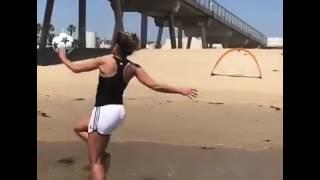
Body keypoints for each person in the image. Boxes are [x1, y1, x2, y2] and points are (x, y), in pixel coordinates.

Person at [58, 31, 198, 180]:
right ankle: (101, 152)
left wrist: (63, 57)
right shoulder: (133, 67)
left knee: (95, 162)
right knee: (79, 127)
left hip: (104, 111)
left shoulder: (105, 61)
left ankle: (100, 157)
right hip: (118, 112)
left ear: (117, 46)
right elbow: (155, 85)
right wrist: (180, 90)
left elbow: (75, 68)